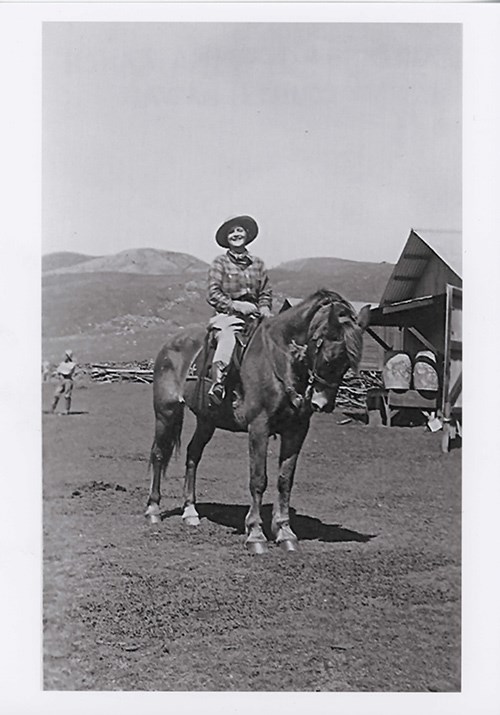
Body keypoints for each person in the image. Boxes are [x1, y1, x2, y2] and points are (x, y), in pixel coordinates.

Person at [207, 215, 272, 405]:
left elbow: (265, 291)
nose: (236, 234)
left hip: (255, 316)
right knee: (228, 336)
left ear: (247, 234)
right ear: (227, 239)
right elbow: (213, 293)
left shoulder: (258, 264)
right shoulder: (220, 262)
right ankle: (218, 383)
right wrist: (236, 305)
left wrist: (265, 307)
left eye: (239, 230)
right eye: (231, 232)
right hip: (228, 315)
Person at [51, 349, 78, 415]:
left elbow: (68, 372)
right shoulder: (62, 363)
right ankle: (52, 409)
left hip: (68, 381)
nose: (64, 356)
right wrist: (56, 373)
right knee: (56, 394)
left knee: (67, 396)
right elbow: (58, 371)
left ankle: (67, 410)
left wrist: (60, 372)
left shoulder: (72, 365)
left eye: (66, 355)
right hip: (62, 380)